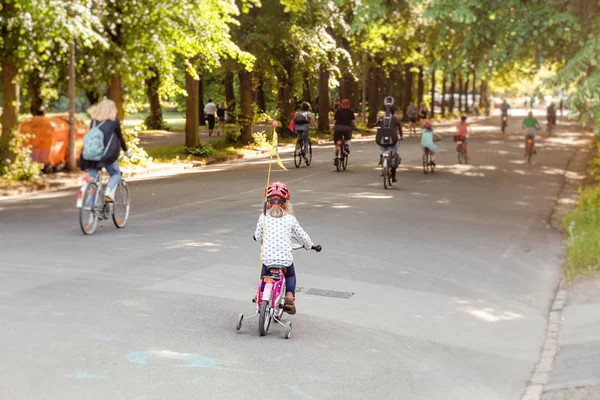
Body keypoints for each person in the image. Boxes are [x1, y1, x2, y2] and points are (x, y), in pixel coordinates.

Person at [253, 182, 321, 314]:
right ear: (286, 203)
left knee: (263, 275)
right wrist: (310, 245)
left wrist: (257, 238)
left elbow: (258, 236)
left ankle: (260, 294)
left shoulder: (263, 217)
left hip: (267, 259)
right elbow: (302, 236)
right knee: (291, 275)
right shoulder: (290, 219)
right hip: (285, 260)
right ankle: (289, 294)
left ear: (267, 202)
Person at [79, 99, 131, 204]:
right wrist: (126, 151)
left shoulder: (94, 121)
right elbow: (120, 138)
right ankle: (108, 191)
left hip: (89, 156)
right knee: (116, 173)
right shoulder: (114, 121)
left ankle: (91, 213)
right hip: (106, 156)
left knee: (94, 182)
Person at [376, 98, 403, 183]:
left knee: (382, 150)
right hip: (393, 140)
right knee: (393, 155)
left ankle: (382, 160)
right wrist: (401, 136)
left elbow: (376, 125)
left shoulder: (381, 118)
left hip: (382, 140)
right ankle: (393, 176)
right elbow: (400, 128)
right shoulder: (395, 119)